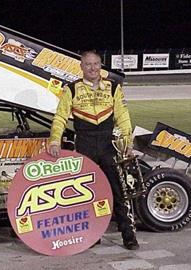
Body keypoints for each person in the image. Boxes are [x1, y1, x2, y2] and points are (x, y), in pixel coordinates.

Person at [47, 50, 139, 250]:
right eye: (88, 64)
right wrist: (55, 141)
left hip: (108, 145)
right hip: (85, 145)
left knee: (118, 192)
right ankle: (91, 235)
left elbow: (122, 116)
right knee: (85, 193)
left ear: (101, 65)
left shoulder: (113, 87)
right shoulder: (71, 89)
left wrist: (127, 141)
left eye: (96, 64)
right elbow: (60, 117)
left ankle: (128, 236)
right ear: (81, 67)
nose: (92, 68)